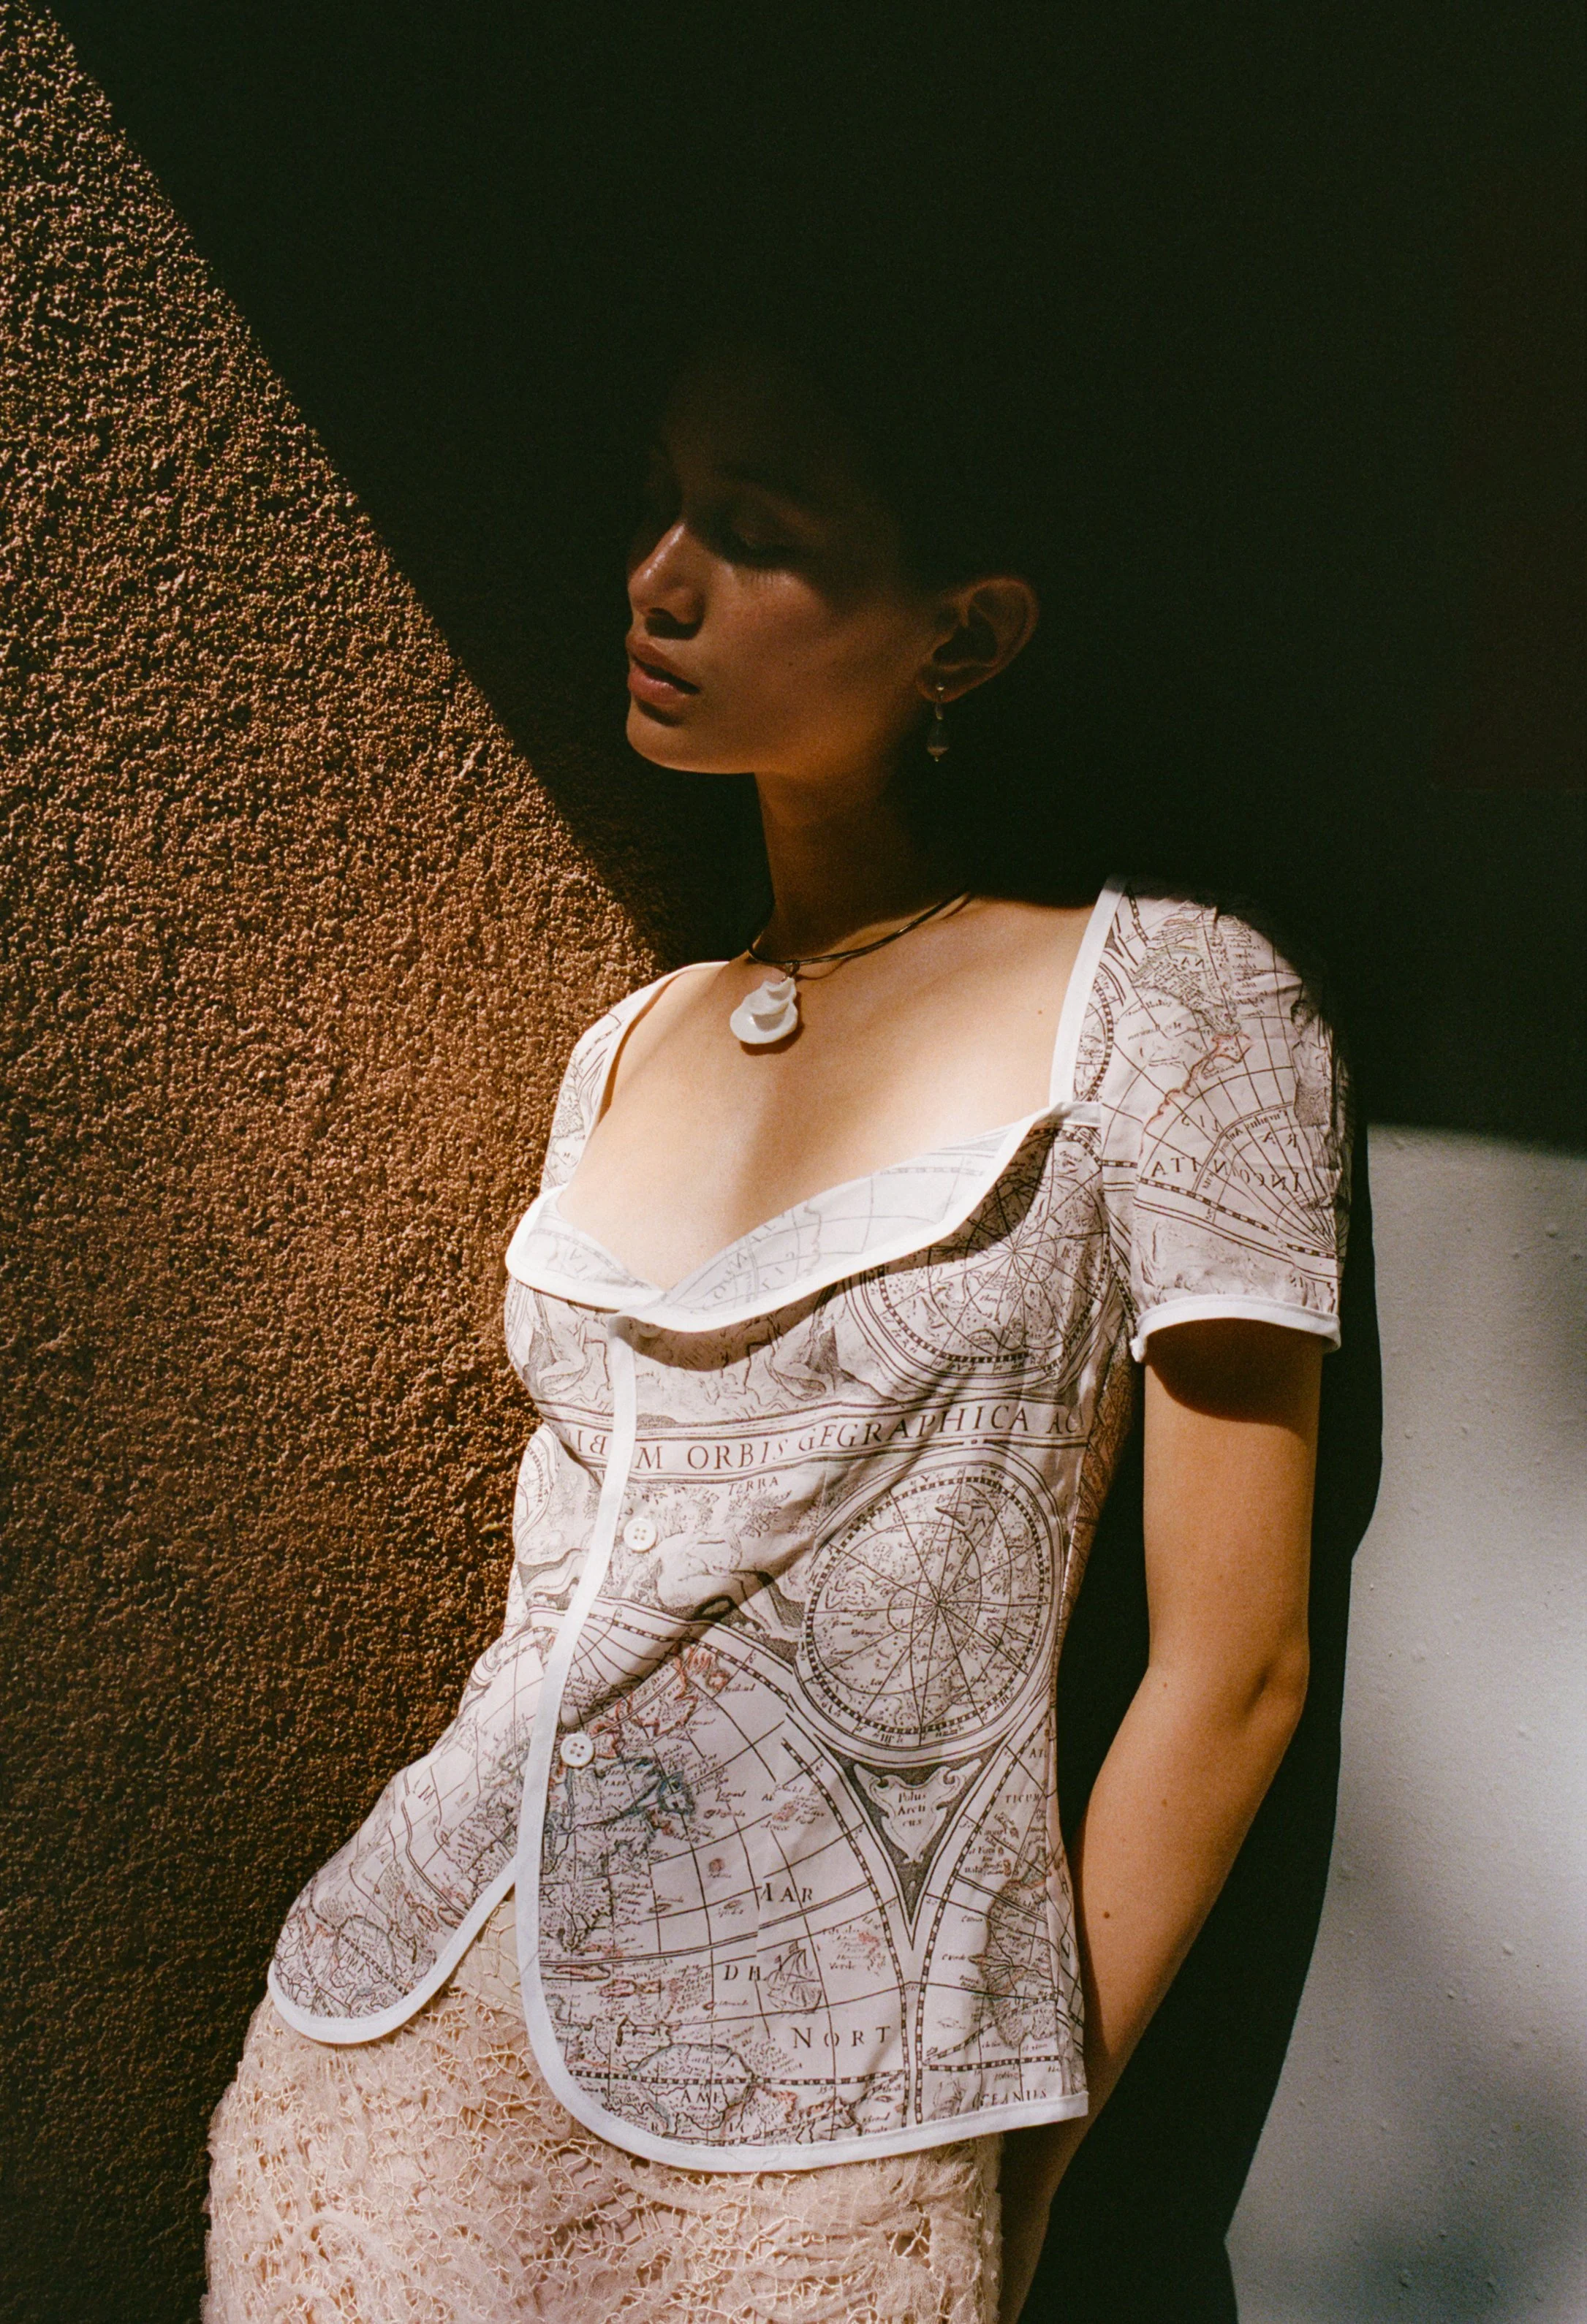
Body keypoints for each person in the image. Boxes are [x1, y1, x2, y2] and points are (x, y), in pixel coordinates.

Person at [204, 304, 1355, 2323]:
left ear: (966, 635)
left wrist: (1016, 2152)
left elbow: (1236, 1664)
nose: (660, 577)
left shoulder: (1174, 1004)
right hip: (386, 2059)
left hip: (834, 2140)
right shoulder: (626, 1045)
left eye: (753, 524)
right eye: (660, 506)